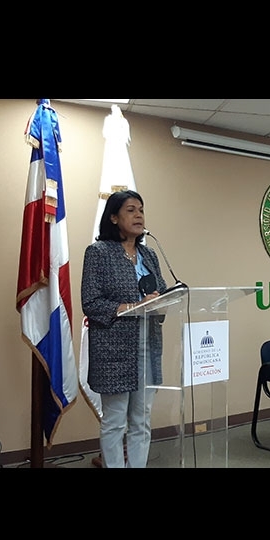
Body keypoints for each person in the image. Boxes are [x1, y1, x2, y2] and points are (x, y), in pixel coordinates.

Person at [81, 190, 167, 468]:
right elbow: (91, 303)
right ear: (114, 217)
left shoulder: (149, 254)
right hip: (114, 350)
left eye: (141, 209)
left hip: (147, 346)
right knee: (115, 420)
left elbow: (162, 292)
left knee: (142, 420)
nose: (139, 215)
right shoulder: (98, 253)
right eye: (131, 210)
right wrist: (134, 306)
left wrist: (162, 301)